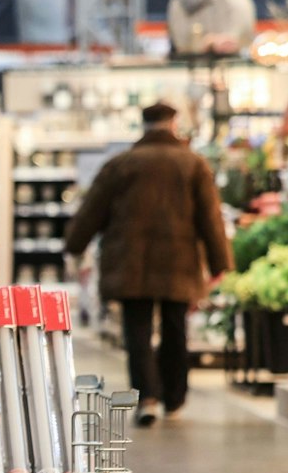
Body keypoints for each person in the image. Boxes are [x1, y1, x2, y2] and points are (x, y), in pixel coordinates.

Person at [64, 102, 232, 425]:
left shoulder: (121, 164)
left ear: (143, 124)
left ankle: (148, 399)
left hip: (132, 261)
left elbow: (92, 210)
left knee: (136, 331)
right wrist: (218, 262)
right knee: (174, 327)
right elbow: (210, 218)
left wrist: (74, 244)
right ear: (174, 123)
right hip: (179, 262)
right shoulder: (193, 164)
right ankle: (175, 397)